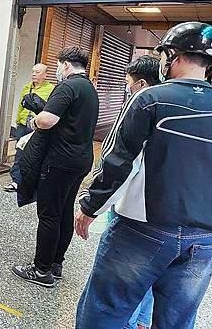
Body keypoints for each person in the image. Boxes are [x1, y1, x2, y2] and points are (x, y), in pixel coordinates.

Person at [75, 22, 212, 329]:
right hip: (204, 240)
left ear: (174, 57)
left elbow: (120, 162)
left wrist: (90, 208)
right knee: (176, 322)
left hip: (143, 232)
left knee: (105, 311)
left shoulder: (150, 99)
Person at [12, 47, 99, 288]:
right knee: (63, 212)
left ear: (67, 65)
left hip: (59, 161)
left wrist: (37, 117)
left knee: (49, 214)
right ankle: (55, 263)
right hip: (80, 160)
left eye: (60, 66)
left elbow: (46, 120)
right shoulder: (89, 88)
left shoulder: (68, 86)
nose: (59, 71)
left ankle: (41, 271)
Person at [91, 55, 161, 329]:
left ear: (141, 82)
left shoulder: (142, 104)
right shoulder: (168, 107)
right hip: (167, 214)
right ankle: (142, 320)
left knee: (126, 272)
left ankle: (129, 322)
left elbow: (122, 157)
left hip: (130, 201)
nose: (126, 88)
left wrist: (92, 204)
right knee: (152, 272)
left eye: (128, 83)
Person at [5, 64, 54, 192]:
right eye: (32, 71)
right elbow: (21, 106)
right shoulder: (27, 87)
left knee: (35, 154)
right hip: (23, 124)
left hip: (37, 126)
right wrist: (17, 121)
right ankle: (16, 180)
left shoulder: (51, 89)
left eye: (37, 72)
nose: (34, 74)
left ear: (45, 74)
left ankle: (32, 182)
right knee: (19, 152)